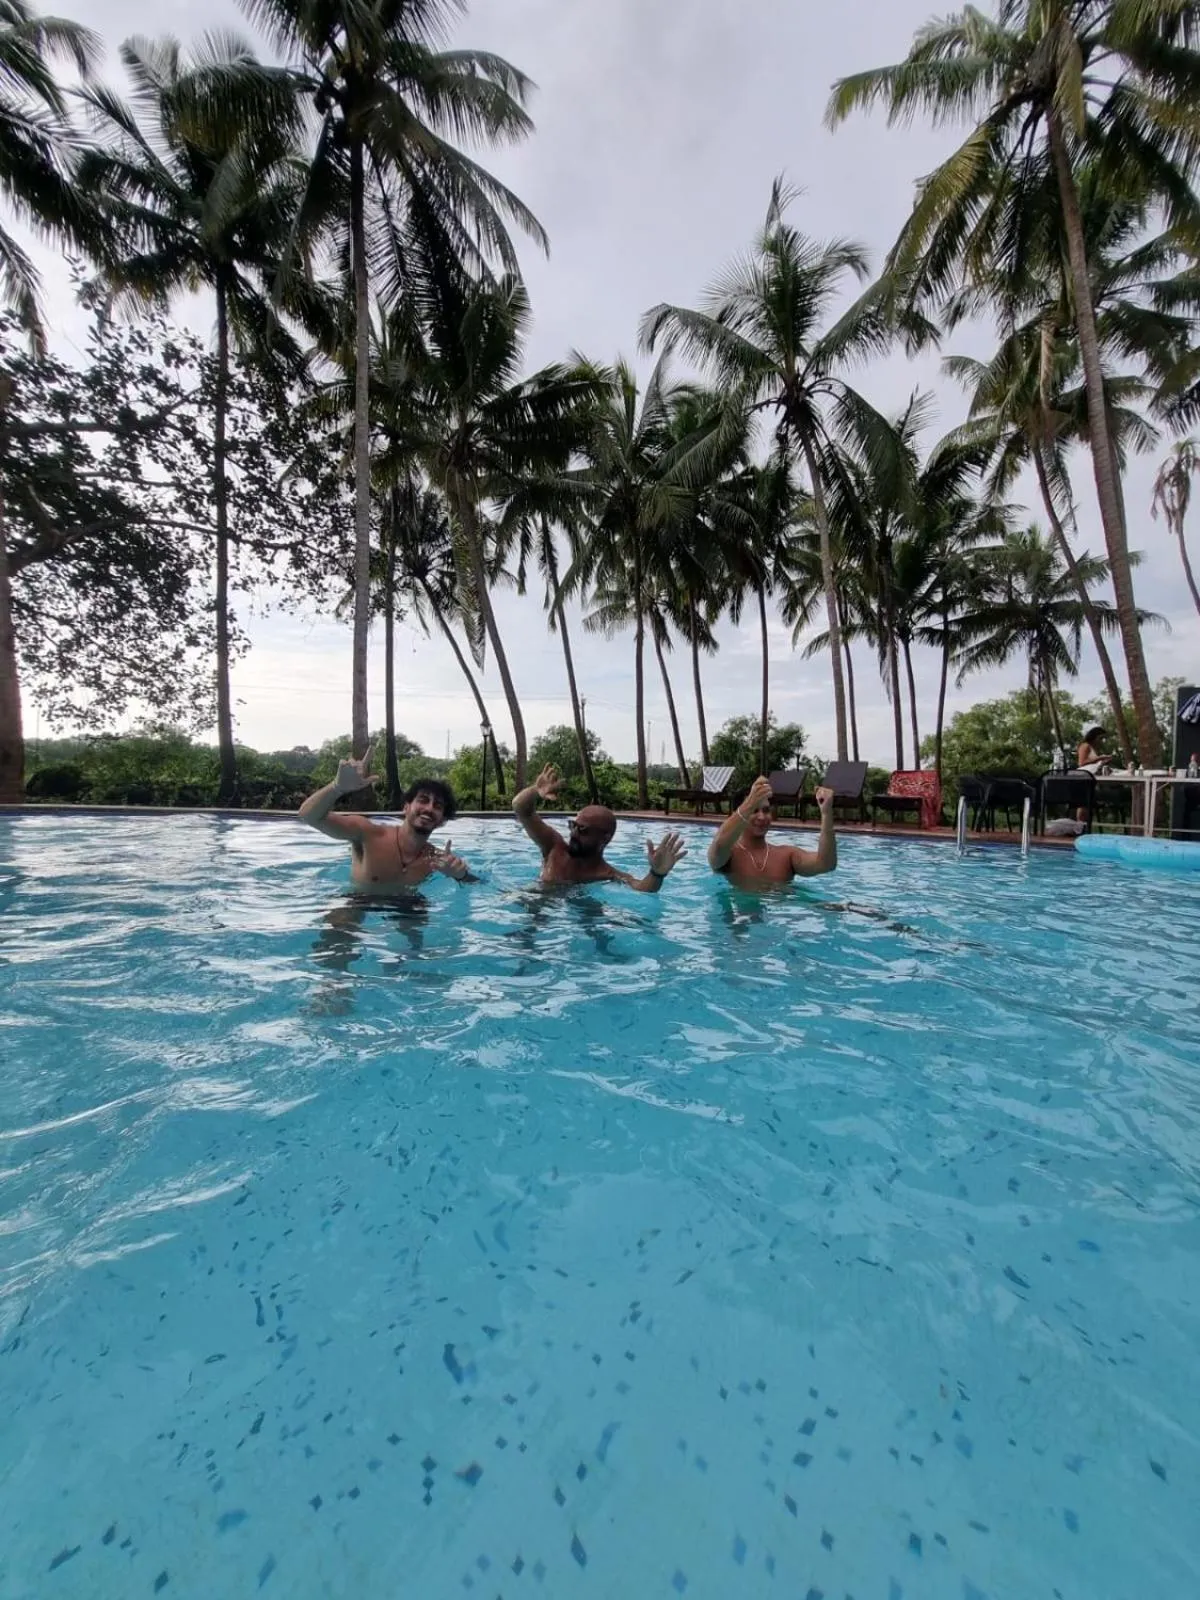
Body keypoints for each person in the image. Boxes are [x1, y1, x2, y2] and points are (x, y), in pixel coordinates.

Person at [298, 746, 473, 891]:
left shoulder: (438, 860)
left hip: (408, 905)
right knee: (339, 925)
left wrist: (460, 875)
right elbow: (309, 816)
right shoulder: (368, 833)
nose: (429, 808)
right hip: (360, 901)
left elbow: (481, 886)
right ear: (406, 807)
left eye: (438, 806)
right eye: (423, 800)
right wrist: (337, 788)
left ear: (442, 820)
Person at [513, 765, 686, 890]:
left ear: (605, 838)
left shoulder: (608, 874)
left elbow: (641, 887)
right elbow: (521, 809)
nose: (574, 833)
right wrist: (536, 790)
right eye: (573, 825)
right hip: (535, 902)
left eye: (583, 830)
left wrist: (657, 873)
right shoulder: (554, 847)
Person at [707, 773, 837, 886]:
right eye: (754, 810)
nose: (762, 817)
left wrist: (826, 813)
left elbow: (826, 864)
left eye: (766, 810)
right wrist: (750, 802)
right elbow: (719, 845)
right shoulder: (728, 856)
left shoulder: (786, 856)